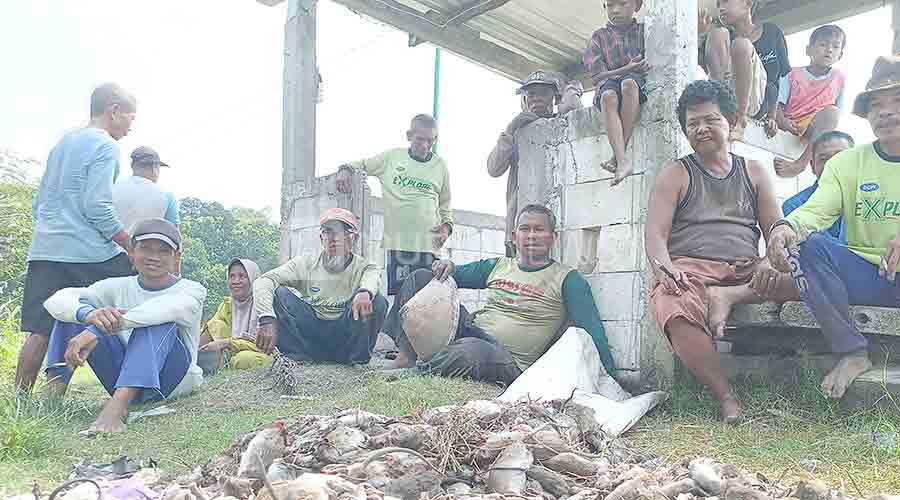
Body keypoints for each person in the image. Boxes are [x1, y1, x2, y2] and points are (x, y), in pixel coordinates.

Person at [645, 80, 796, 423]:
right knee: (672, 306)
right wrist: (664, 269)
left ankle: (728, 296)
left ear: (731, 120)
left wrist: (778, 246)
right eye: (692, 123)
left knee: (811, 272)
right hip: (693, 269)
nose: (701, 129)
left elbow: (774, 224)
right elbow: (655, 234)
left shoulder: (754, 171)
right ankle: (726, 396)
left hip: (747, 270)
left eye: (710, 120)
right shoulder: (675, 173)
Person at [766, 55, 900, 400]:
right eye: (876, 105)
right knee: (807, 247)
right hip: (868, 277)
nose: (885, 112)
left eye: (897, 101)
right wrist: (785, 226)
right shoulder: (846, 163)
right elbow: (815, 212)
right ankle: (853, 353)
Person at [384, 204, 616, 385]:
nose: (532, 235)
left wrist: (610, 379)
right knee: (421, 277)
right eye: (525, 229)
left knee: (470, 351)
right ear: (515, 237)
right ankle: (406, 355)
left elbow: (593, 333)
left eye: (539, 229)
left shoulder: (569, 280)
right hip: (470, 329)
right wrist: (448, 266)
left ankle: (422, 371)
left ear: (552, 237)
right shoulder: (499, 266)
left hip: (506, 358)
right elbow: (455, 274)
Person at [16, 83, 137, 392]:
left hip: (44, 248)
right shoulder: (106, 146)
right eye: (130, 117)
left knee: (40, 330)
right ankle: (137, 383)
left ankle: (20, 402)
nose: (131, 126)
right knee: (135, 292)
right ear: (114, 111)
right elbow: (97, 206)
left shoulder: (63, 143)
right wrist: (129, 245)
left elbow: (39, 201)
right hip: (87, 252)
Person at [42, 219, 206, 435]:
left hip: (171, 380)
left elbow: (166, 310)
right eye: (145, 248)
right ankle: (51, 400)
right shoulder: (116, 286)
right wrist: (89, 315)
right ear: (132, 252)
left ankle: (116, 410)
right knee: (74, 312)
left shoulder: (192, 290)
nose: (154, 257)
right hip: (121, 375)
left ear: (176, 258)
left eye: (164, 251)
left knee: (156, 321)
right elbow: (58, 300)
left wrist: (96, 330)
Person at [335, 114, 453, 296]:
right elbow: (362, 165)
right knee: (403, 299)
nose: (425, 145)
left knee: (429, 302)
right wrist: (345, 170)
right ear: (409, 135)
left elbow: (445, 203)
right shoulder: (391, 158)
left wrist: (446, 227)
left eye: (430, 140)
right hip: (400, 246)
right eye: (420, 139)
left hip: (430, 247)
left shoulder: (440, 166)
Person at [253, 208, 388, 364]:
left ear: (355, 238)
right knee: (278, 293)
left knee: (377, 301)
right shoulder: (305, 263)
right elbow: (264, 280)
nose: (335, 238)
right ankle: (296, 357)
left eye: (344, 232)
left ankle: (357, 361)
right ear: (321, 237)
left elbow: (372, 279)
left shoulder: (366, 266)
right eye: (328, 231)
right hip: (311, 337)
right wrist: (267, 319)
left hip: (346, 340)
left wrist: (365, 292)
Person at [488, 70, 584, 257]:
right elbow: (493, 169)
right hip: (522, 229)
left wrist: (572, 89)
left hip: (561, 226)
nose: (537, 98)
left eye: (543, 93)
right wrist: (510, 130)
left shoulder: (563, 122)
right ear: (524, 98)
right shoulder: (518, 132)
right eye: (532, 93)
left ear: (555, 97)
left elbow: (577, 112)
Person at [702, 0, 790, 141]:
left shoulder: (771, 32)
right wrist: (701, 32)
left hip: (757, 101)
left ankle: (740, 120)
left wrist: (773, 116)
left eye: (725, 2)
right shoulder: (724, 37)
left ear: (747, 3)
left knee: (741, 45)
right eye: (718, 4)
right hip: (726, 95)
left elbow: (780, 77)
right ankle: (721, 107)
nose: (721, 8)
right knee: (717, 33)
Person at [583, 0, 647, 186]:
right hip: (609, 83)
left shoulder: (645, 31)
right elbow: (596, 76)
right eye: (610, 5)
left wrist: (635, 68)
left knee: (629, 84)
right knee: (607, 96)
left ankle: (619, 158)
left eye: (622, 3)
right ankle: (622, 159)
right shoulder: (599, 37)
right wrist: (626, 68)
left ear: (637, 5)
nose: (615, 10)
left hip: (633, 82)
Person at [773, 25, 847, 178]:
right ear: (809, 50)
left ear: (840, 55)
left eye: (835, 46)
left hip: (815, 128)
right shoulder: (792, 74)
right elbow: (778, 104)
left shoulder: (839, 78)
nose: (829, 50)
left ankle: (801, 164)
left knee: (832, 113)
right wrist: (783, 121)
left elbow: (836, 116)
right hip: (790, 122)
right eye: (823, 44)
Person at [198, 258, 271, 372]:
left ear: (253, 279)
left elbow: (262, 346)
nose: (236, 281)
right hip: (232, 351)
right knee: (214, 325)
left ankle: (225, 367)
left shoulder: (264, 305)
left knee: (244, 359)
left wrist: (227, 343)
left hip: (260, 353)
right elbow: (211, 329)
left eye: (242, 276)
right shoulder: (227, 305)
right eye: (232, 276)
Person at [781, 131, 855, 241]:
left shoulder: (873, 198)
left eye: (840, 157)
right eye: (824, 159)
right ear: (812, 166)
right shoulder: (794, 206)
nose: (832, 165)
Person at [113, 146, 180, 230]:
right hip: (143, 243)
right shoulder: (167, 195)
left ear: (132, 166)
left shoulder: (113, 186)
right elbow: (174, 233)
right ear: (154, 168)